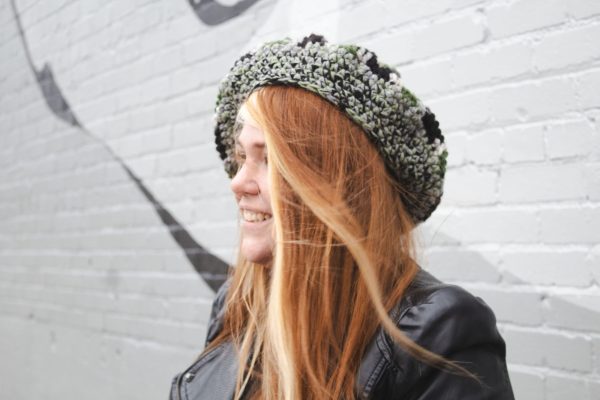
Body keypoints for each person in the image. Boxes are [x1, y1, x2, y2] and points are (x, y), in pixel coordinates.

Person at [169, 33, 515, 400]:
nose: (237, 183)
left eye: (270, 159)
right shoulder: (238, 303)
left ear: (341, 187)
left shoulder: (436, 334)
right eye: (242, 158)